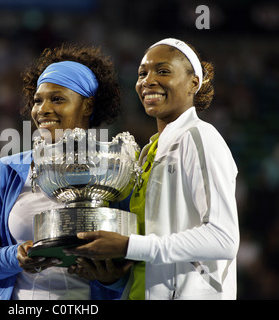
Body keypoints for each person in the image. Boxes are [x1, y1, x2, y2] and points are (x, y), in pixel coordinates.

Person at [65, 38, 240, 300]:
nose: (148, 80)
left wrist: (128, 245)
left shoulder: (199, 136)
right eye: (142, 73)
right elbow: (150, 254)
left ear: (194, 82)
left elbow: (223, 238)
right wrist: (112, 274)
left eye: (163, 71)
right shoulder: (147, 152)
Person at [0, 44, 132, 300]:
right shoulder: (5, 172)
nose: (42, 109)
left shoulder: (115, 173)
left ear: (87, 106)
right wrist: (16, 255)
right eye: (37, 100)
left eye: (57, 99)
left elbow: (132, 265)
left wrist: (111, 279)